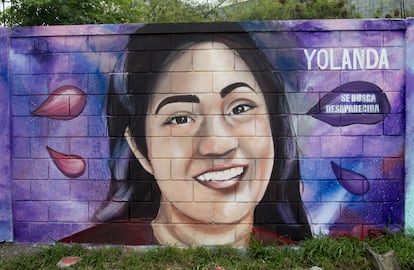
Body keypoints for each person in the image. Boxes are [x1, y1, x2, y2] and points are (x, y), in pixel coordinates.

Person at [60, 23, 311, 246]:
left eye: (241, 108)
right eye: (180, 119)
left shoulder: (290, 253)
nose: (217, 144)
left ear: (273, 124)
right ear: (139, 148)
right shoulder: (88, 250)